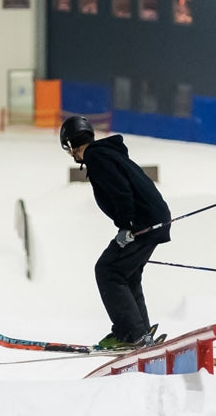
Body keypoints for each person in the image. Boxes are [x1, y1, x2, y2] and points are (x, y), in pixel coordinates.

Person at [60, 115, 171, 350]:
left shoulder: (96, 157)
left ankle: (132, 334)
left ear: (71, 144)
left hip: (143, 221)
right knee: (127, 274)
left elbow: (121, 191)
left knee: (107, 270)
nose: (71, 154)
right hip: (152, 218)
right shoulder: (106, 153)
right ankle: (139, 331)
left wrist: (127, 224)